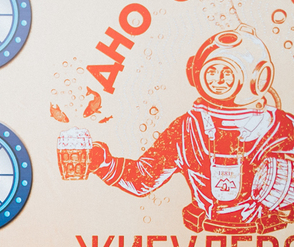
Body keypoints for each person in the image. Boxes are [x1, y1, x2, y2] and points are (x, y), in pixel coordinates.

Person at [59, 26, 294, 233]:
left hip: (265, 231)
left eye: (228, 73)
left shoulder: (282, 128)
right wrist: (104, 163)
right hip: (203, 236)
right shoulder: (187, 129)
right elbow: (144, 177)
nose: (219, 81)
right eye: (212, 72)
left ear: (260, 78)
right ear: (195, 73)